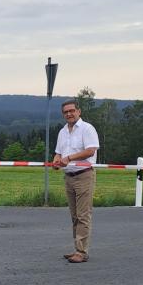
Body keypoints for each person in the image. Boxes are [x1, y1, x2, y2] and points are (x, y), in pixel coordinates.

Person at [52, 99, 100, 263]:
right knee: (74, 216)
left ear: (79, 111)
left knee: (83, 215)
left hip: (84, 174)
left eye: (72, 110)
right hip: (69, 176)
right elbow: (58, 152)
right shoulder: (62, 132)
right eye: (65, 112)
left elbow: (90, 150)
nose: (69, 114)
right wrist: (56, 161)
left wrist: (69, 158)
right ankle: (77, 249)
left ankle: (81, 251)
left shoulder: (87, 129)